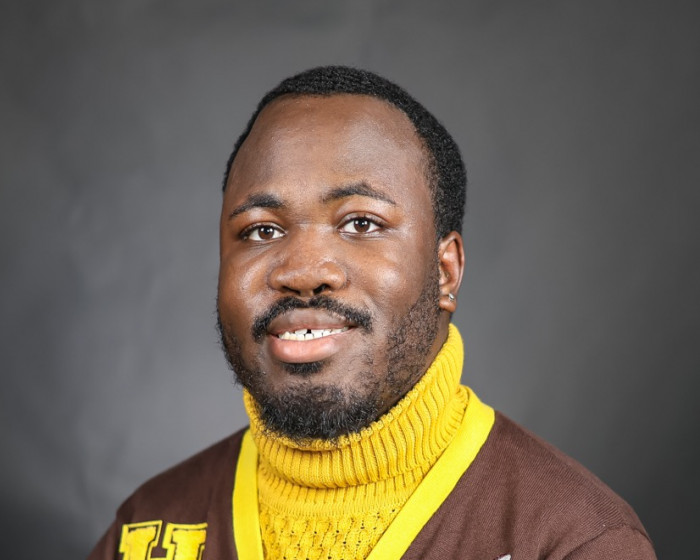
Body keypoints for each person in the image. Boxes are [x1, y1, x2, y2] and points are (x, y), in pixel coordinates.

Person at [89, 66, 656, 560]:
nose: (303, 270)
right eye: (262, 230)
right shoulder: (145, 531)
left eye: (361, 223)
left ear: (445, 272)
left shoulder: (573, 540)